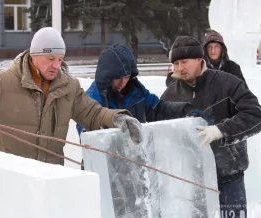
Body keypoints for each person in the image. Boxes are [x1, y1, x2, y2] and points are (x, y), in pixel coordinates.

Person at [0, 27, 142, 165]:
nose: (56, 65)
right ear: (34, 55)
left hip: (50, 183)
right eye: (50, 58)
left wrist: (117, 117)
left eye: (60, 59)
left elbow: (93, 113)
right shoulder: (2, 84)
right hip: (9, 183)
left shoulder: (69, 87)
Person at [161, 36, 261, 218]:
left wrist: (221, 131)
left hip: (228, 177)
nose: (179, 68)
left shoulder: (227, 83)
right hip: (191, 181)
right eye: (176, 63)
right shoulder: (170, 95)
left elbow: (255, 115)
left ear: (199, 59)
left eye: (184, 62)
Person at [76, 44, 207, 168]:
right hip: (104, 168)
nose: (122, 82)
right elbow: (86, 132)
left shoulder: (136, 91)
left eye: (126, 77)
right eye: (118, 78)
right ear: (106, 76)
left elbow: (158, 109)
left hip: (135, 167)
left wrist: (184, 110)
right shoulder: (92, 97)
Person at [165, 30, 248, 89]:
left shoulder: (232, 67)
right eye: (210, 47)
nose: (213, 50)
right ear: (205, 49)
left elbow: (244, 92)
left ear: (222, 48)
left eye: (216, 47)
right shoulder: (199, 68)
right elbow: (174, 81)